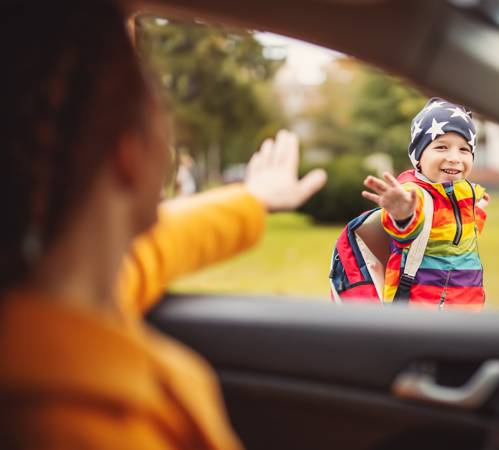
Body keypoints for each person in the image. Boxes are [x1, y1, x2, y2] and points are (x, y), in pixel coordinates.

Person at [0, 1, 326, 448]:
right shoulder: (98, 432)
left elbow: (160, 244)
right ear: (128, 151)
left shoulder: (55, 299)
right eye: (152, 92)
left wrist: (253, 199)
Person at [362, 97, 489, 310]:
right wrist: (402, 214)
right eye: (441, 147)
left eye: (464, 149)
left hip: (467, 305)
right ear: (418, 156)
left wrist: (477, 210)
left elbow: (461, 234)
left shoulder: (465, 192)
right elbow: (405, 230)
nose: (454, 157)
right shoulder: (413, 193)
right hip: (420, 309)